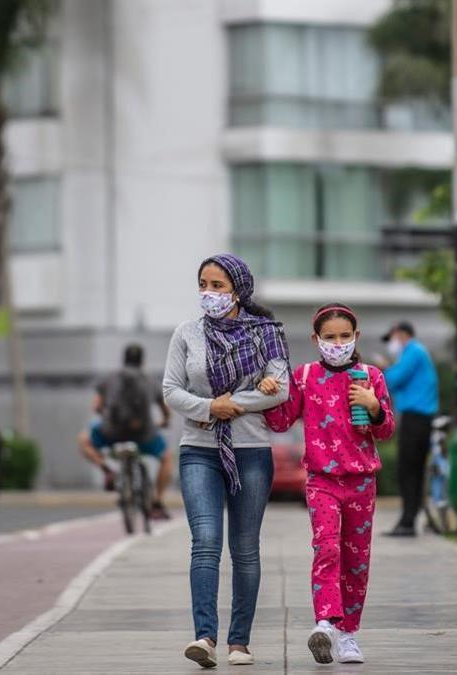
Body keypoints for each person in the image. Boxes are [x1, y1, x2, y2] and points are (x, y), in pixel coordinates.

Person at [162, 253, 290, 668]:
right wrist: (206, 408)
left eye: (218, 286)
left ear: (238, 289)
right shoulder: (186, 334)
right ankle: (204, 638)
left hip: (251, 451)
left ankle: (240, 642)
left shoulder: (266, 333)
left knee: (245, 548)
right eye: (203, 284)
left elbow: (280, 390)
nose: (209, 293)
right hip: (198, 449)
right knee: (205, 543)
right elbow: (170, 390)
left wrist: (229, 404)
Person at [258, 303, 395, 665]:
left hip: (362, 482)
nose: (338, 343)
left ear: (356, 337)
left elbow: (386, 429)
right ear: (316, 339)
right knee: (327, 548)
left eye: (344, 336)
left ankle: (349, 634)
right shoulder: (304, 376)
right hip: (321, 481)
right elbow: (281, 421)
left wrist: (374, 406)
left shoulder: (371, 376)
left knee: (356, 558)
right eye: (330, 337)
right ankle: (326, 623)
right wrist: (271, 391)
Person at [78, 343, 173, 520]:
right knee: (166, 458)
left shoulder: (109, 379)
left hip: (111, 433)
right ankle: (157, 503)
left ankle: (106, 469)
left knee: (83, 440)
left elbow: (96, 406)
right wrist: (164, 422)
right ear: (142, 362)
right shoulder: (151, 381)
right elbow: (165, 411)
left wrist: (107, 417)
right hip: (145, 435)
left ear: (124, 360)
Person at [381, 321, 439, 537]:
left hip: (417, 418)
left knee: (408, 470)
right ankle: (408, 519)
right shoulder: (414, 353)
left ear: (401, 334)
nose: (392, 343)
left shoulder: (413, 351)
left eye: (392, 338)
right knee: (411, 470)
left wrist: (384, 369)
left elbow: (393, 380)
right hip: (416, 417)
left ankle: (408, 521)